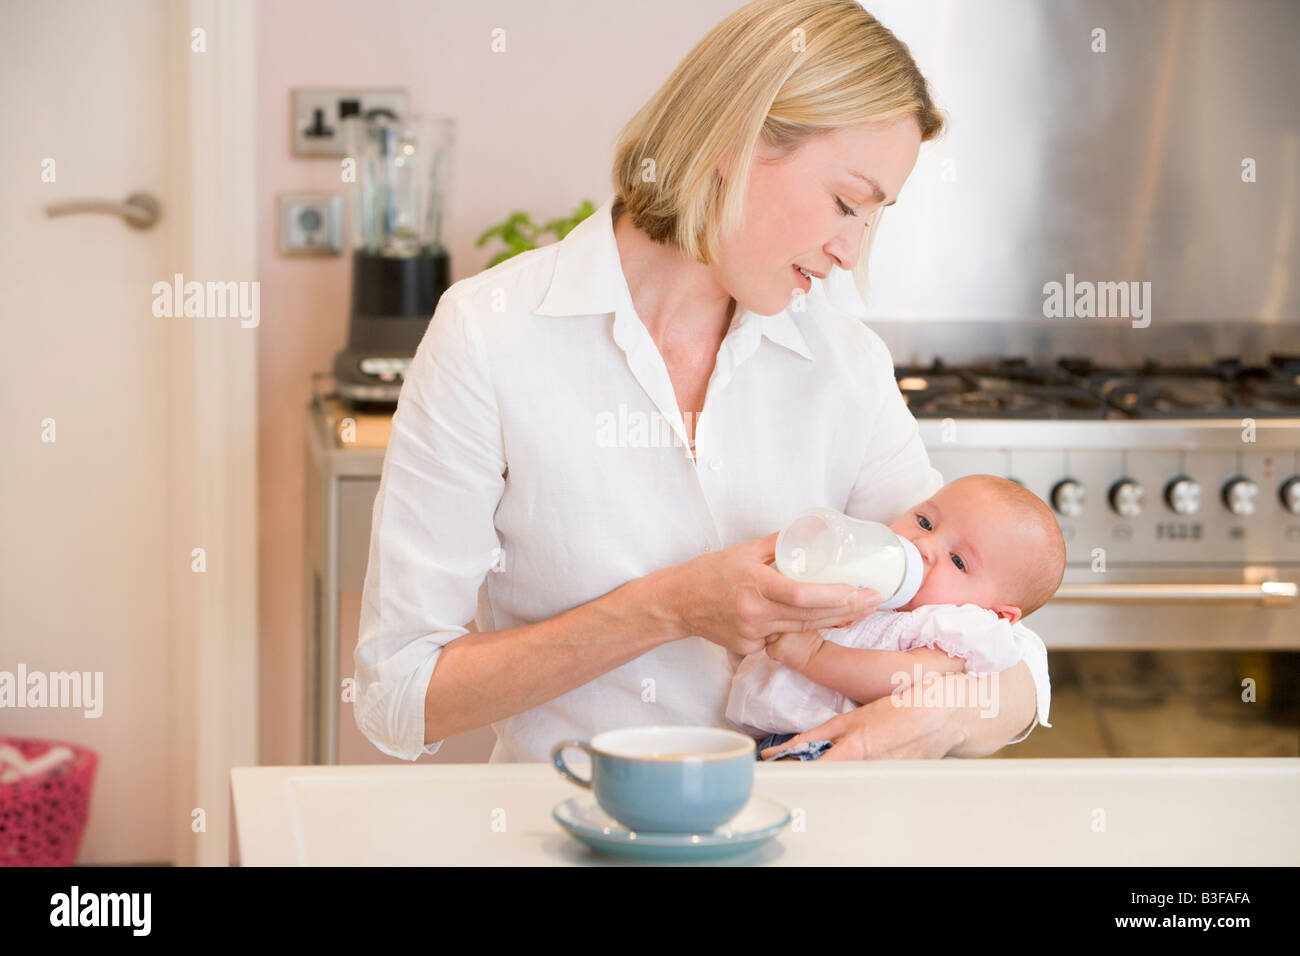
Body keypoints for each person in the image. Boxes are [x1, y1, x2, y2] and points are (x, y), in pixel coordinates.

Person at [353, 0, 1052, 763]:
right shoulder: (492, 335)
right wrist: (668, 608)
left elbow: (1007, 658)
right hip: (576, 829)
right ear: (735, 139)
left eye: (872, 218)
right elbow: (399, 698)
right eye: (846, 203)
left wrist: (943, 715)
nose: (850, 250)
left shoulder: (844, 362)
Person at [725, 475, 1065, 759]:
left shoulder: (950, 628)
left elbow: (900, 676)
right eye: (925, 522)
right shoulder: (873, 585)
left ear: (996, 614)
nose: (923, 546)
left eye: (958, 561)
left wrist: (813, 655)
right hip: (762, 741)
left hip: (842, 746)